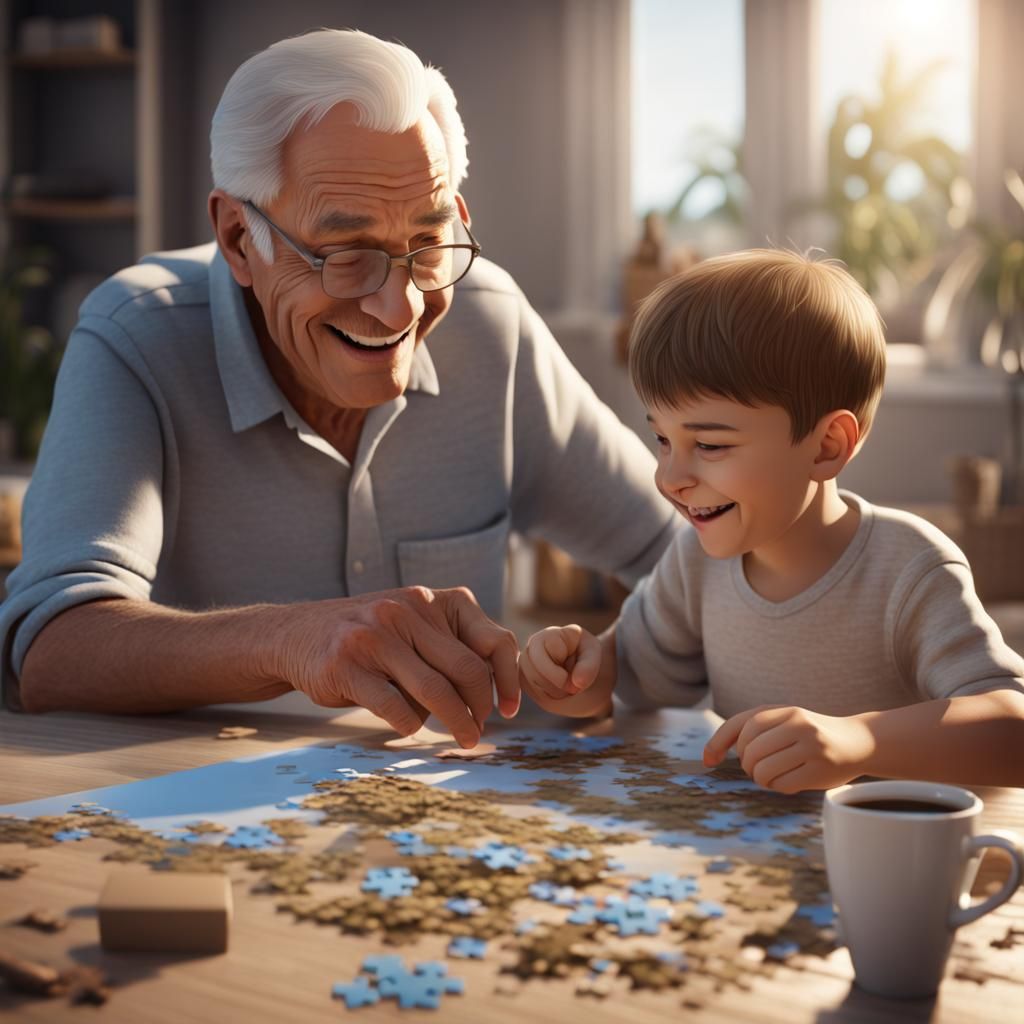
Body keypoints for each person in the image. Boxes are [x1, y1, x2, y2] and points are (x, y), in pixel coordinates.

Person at [0, 29, 676, 747]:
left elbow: (692, 552)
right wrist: (293, 640)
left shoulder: (490, 321)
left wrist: (609, 665)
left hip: (441, 816)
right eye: (347, 256)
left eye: (428, 240)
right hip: (189, 825)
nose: (401, 308)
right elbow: (51, 648)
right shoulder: (137, 334)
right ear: (238, 238)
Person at [519, 249, 1024, 789]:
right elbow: (622, 684)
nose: (670, 477)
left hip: (896, 864)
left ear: (828, 445)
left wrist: (860, 741)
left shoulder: (910, 568)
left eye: (710, 445)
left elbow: (1012, 733)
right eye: (664, 440)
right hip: (755, 862)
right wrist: (573, 673)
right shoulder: (695, 562)